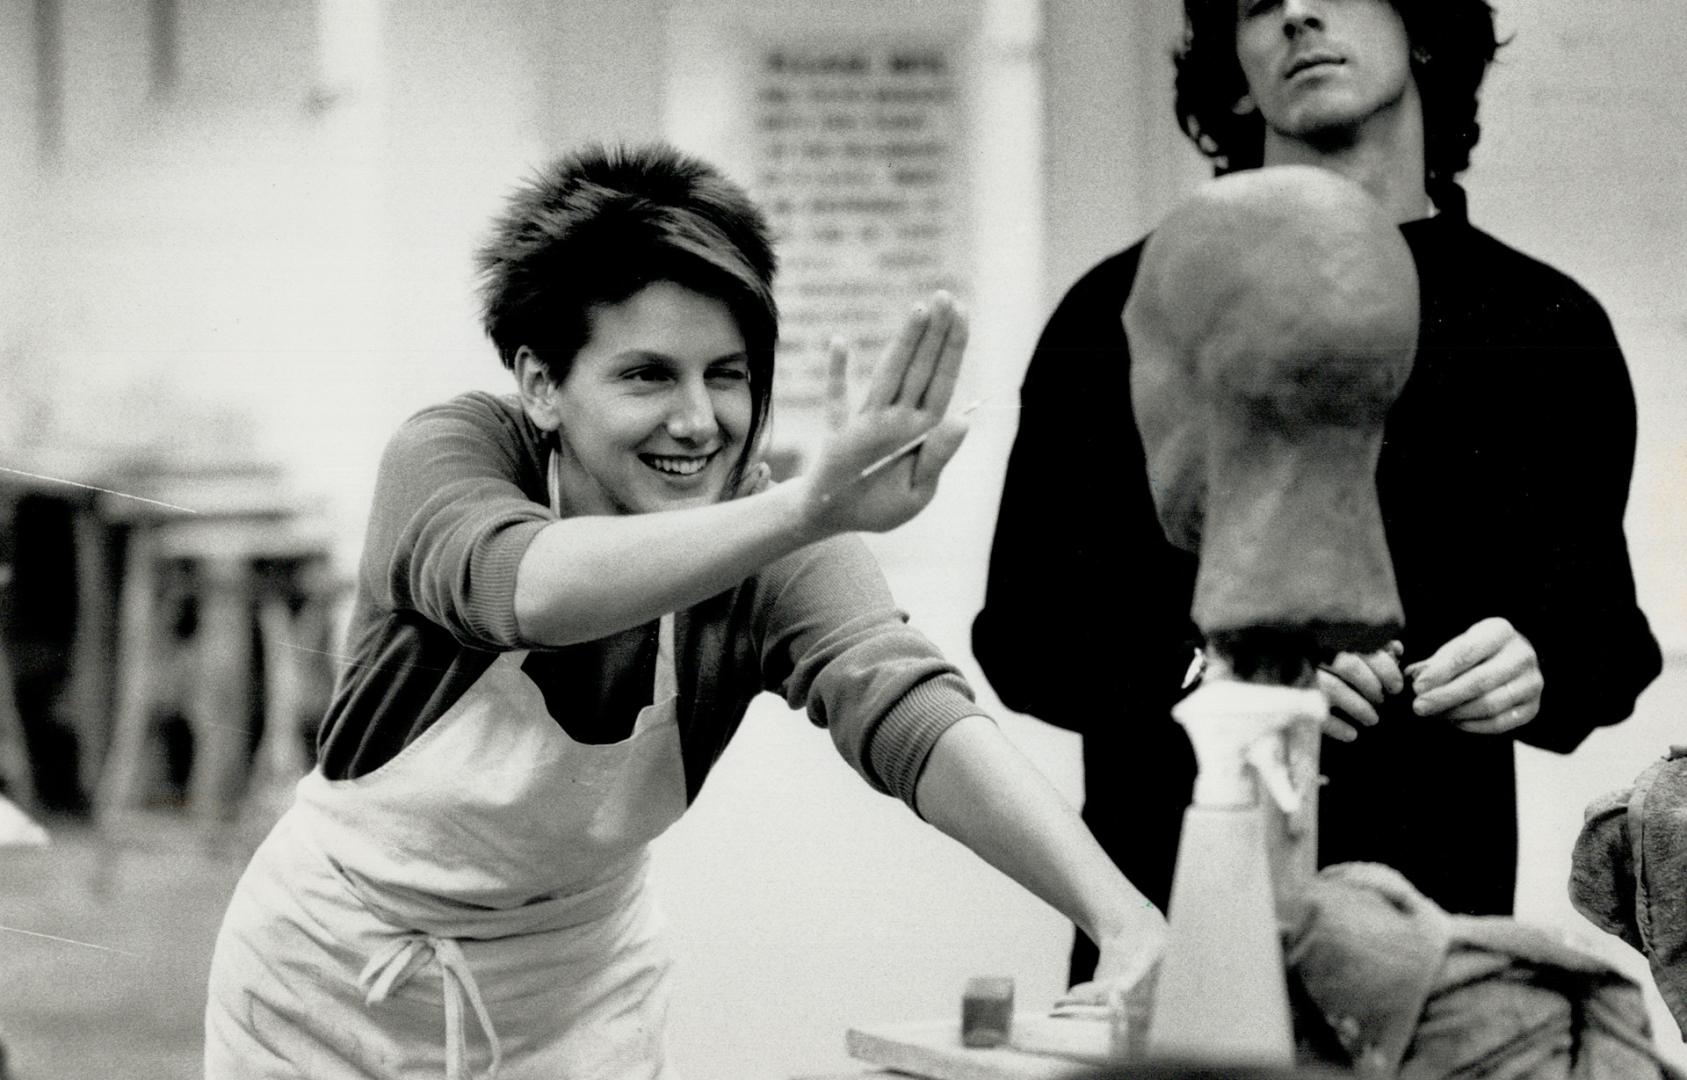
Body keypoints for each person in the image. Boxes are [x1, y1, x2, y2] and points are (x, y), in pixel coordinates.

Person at [204, 143, 1165, 1079]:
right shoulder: (453, 454)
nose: (699, 421)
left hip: (578, 998)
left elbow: (907, 705)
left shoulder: (772, 534)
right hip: (328, 985)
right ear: (541, 383)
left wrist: (1117, 919)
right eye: (647, 375)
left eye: (728, 373)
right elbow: (528, 588)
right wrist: (798, 509)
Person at [974, 0, 1661, 986]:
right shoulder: (1124, 313)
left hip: (1433, 936)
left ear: (1422, 23)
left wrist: (1538, 661)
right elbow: (1026, 635)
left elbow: (1604, 629)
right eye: (1256, 4)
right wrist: (1214, 673)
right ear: (1233, 62)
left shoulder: (1543, 326)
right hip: (1171, 929)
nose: (1297, 12)